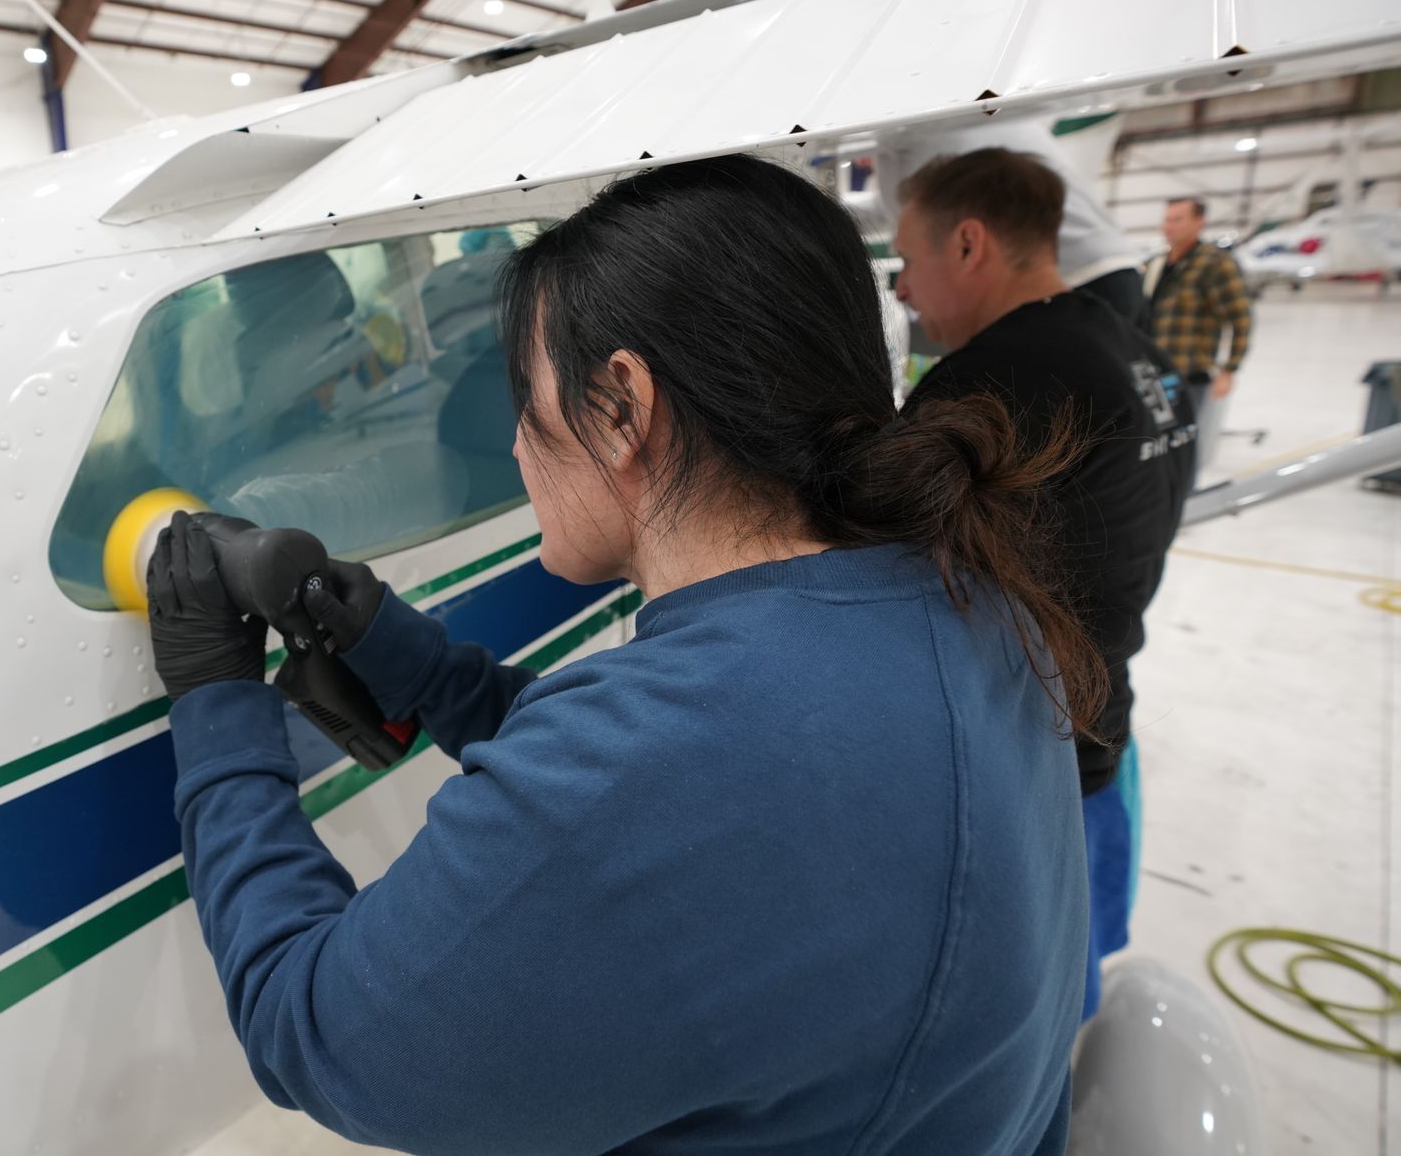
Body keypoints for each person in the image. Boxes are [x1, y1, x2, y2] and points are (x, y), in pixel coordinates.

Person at [147, 154, 1105, 1156]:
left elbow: (313, 1031)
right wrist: (416, 664)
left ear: (621, 408)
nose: (516, 449)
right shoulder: (981, 609)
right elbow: (696, 797)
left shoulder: (651, 761)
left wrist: (216, 701)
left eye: (525, 400)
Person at [892, 148, 1196, 1020]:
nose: (902, 289)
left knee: (1001, 1020)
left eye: (907, 261)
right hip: (1099, 728)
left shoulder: (989, 385)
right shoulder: (1141, 354)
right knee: (1065, 1003)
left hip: (1018, 767)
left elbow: (883, 564)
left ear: (969, 244)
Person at [878, 115, 1150, 331]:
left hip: (1082, 274)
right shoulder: (965, 116)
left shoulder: (928, 135)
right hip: (1107, 265)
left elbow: (919, 217)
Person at [1147, 196, 1253, 477]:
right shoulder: (1157, 263)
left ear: (1198, 222)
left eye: (1177, 220)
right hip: (1153, 373)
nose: (1169, 226)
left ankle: (1184, 493)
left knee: (1185, 446)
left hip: (1189, 376)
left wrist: (1229, 369)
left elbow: (1240, 319)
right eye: (1167, 219)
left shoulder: (1215, 264)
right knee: (1153, 445)